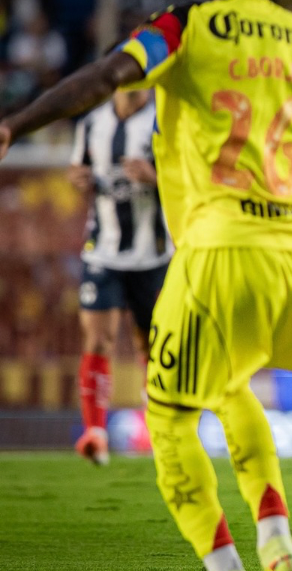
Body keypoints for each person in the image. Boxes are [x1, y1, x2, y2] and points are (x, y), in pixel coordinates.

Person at [0, 0, 292, 569]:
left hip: (219, 244)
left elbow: (105, 76)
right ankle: (275, 536)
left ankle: (224, 563)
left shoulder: (184, 26)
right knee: (229, 386)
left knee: (167, 415)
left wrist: (14, 124)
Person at [69, 87, 171, 466]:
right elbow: (78, 169)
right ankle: (95, 434)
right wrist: (79, 179)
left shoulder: (165, 120)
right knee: (98, 339)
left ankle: (160, 433)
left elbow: (190, 179)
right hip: (104, 251)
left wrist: (155, 176)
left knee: (154, 347)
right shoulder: (92, 123)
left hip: (155, 255)